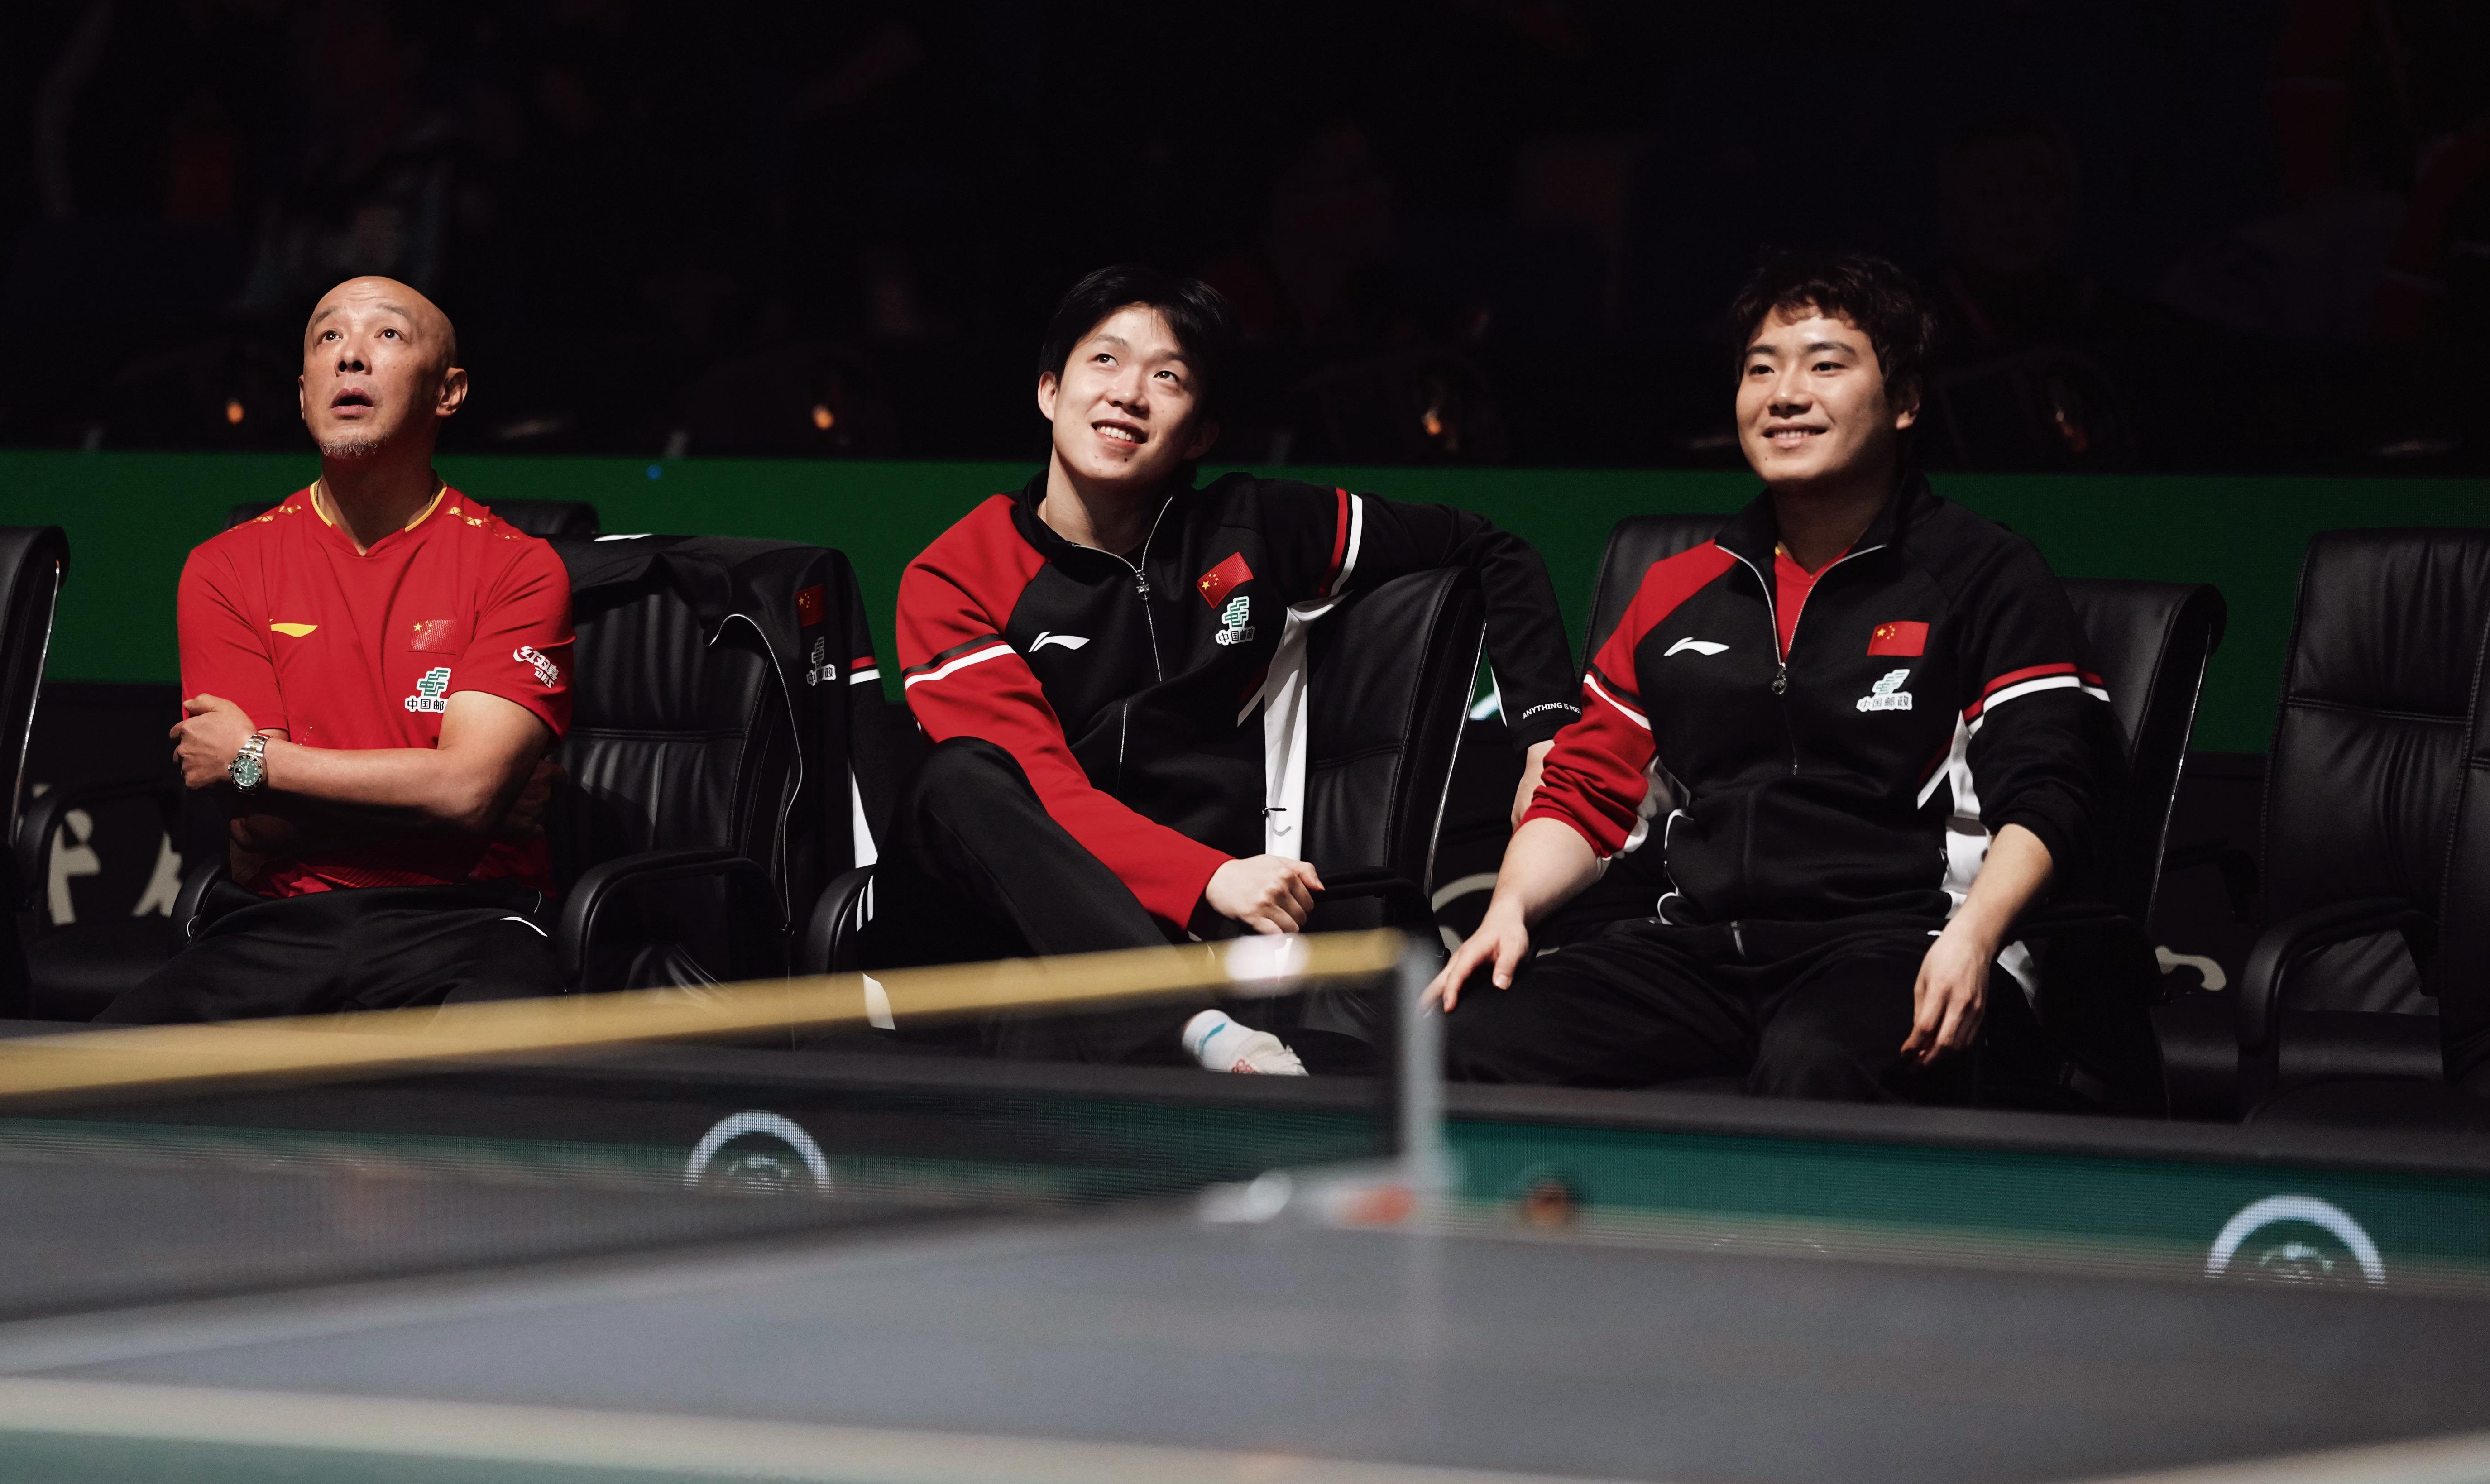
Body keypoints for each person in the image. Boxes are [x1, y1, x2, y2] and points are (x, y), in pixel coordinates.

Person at [1432, 249, 2120, 1104]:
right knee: (1463, 1041)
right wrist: (1508, 910)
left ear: (1905, 400)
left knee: (1816, 1064)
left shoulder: (1985, 575)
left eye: (1825, 366)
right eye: (1761, 369)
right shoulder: (1676, 589)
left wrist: (1976, 939)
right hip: (1698, 950)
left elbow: (2052, 795)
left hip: (1906, 944)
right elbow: (1585, 795)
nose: (1785, 395)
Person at [893, 264, 1581, 1069]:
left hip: (1205, 934)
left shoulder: (1251, 528)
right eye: (1105, 360)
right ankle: (1194, 1032)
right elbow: (1044, 794)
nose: (1129, 394)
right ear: (1050, 391)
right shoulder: (956, 574)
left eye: (1169, 377)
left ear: (1201, 434)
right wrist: (1207, 878)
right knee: (961, 777)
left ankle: (1202, 1043)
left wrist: (1545, 734)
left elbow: (1491, 547)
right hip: (1009, 917)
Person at [99, 275, 574, 1022]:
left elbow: (464, 794)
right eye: (328, 337)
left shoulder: (519, 568)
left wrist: (257, 761)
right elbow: (261, 823)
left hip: (471, 920)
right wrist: (442, 797)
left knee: (491, 1079)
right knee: (99, 1075)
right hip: (277, 922)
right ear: (302, 393)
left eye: (387, 334)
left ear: (448, 392)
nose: (350, 356)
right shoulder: (225, 567)